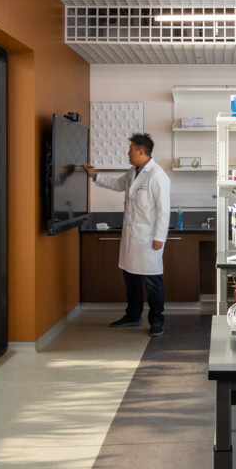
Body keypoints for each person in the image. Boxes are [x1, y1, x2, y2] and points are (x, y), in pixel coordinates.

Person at [83, 133, 170, 337]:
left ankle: (157, 320)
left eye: (130, 150)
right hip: (132, 237)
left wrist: (160, 237)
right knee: (131, 278)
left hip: (148, 238)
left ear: (141, 151)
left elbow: (164, 210)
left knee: (152, 281)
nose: (127, 154)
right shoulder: (134, 171)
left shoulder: (157, 176)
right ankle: (133, 315)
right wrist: (94, 176)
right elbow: (118, 184)